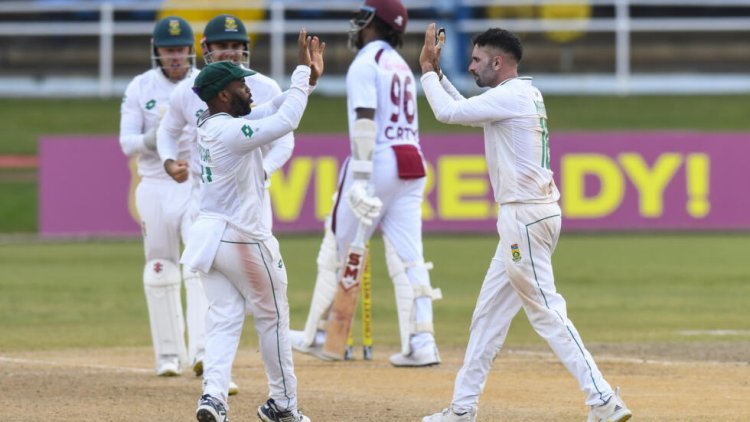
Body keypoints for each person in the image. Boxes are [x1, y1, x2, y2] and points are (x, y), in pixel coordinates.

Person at [417, 24, 633, 422]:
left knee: (546, 311)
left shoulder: (511, 97)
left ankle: (602, 398)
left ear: (498, 62)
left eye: (478, 60)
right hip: (530, 216)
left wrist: (428, 71)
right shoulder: (522, 93)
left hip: (525, 218)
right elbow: (465, 109)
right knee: (487, 317)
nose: (472, 66)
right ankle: (463, 408)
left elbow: (449, 113)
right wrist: (440, 76)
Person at [290, 0, 442, 367]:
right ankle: (422, 341)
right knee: (410, 257)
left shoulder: (366, 62)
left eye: (363, 19)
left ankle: (321, 334)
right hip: (412, 160)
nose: (357, 26)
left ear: (376, 23)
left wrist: (359, 178)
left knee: (338, 244)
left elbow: (364, 120)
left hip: (377, 160)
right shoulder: (400, 66)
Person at [182, 29, 324, 422]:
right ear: (224, 95)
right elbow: (287, 119)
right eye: (241, 84)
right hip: (243, 238)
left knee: (224, 317)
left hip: (209, 237)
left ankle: (212, 397)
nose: (250, 89)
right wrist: (299, 72)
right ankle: (283, 405)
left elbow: (276, 106)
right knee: (273, 317)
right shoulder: (231, 132)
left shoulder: (213, 125)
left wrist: (307, 81)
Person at [157, 13, 294, 395]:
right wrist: (169, 162)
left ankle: (215, 389)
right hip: (209, 202)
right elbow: (167, 133)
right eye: (224, 46)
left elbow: (284, 138)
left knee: (239, 302)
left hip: (251, 201)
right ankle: (278, 398)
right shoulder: (188, 92)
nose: (232, 52)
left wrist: (263, 171)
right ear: (206, 50)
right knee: (255, 306)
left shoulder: (261, 85)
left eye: (237, 46)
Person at [119, 15, 198, 377]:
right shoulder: (140, 87)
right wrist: (157, 138)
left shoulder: (203, 83)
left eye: (181, 49)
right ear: (157, 52)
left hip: (196, 184)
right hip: (153, 183)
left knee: (199, 263)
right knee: (160, 264)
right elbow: (126, 142)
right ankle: (168, 354)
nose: (176, 57)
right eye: (169, 50)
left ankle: (203, 350)